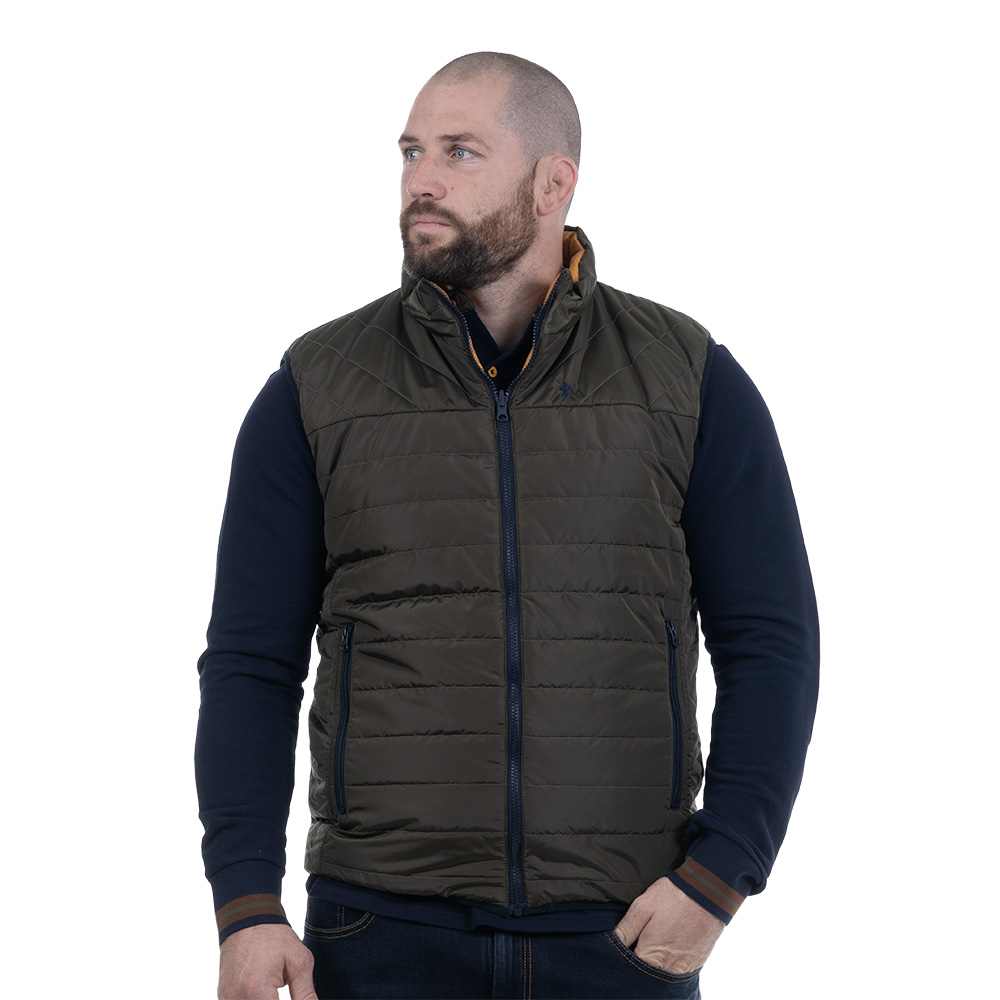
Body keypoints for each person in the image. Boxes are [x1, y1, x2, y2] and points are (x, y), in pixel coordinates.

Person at [196, 51, 819, 1000]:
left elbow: (771, 641)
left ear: (552, 183)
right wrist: (245, 904)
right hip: (379, 932)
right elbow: (251, 661)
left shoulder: (687, 379)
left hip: (622, 933)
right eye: (410, 152)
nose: (421, 180)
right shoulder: (318, 388)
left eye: (459, 151)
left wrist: (722, 872)